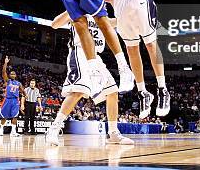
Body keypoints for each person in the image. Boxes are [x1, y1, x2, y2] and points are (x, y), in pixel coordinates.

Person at [46, 11, 134, 145]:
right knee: (78, 91)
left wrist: (129, 16)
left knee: (112, 92)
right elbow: (54, 24)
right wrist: (71, 9)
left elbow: (113, 22)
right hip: (80, 52)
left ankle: (113, 133)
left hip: (96, 57)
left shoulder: (99, 13)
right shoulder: (77, 8)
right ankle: (54, 129)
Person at [0, 56, 24, 137]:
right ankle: (1, 130)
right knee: (4, 116)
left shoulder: (18, 83)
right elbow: (3, 72)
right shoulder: (8, 81)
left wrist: (25, 95)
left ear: (15, 75)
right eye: (11, 73)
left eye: (13, 74)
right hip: (7, 100)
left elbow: (22, 90)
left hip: (15, 101)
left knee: (15, 116)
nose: (12, 74)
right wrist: (5, 63)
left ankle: (13, 132)